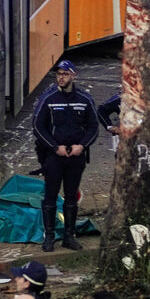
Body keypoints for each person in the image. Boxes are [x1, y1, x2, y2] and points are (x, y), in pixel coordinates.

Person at [31, 60, 99, 252]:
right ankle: (49, 236)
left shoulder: (84, 99)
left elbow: (93, 127)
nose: (61, 77)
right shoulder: (49, 98)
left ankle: (69, 236)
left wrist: (82, 146)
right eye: (58, 74)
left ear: (73, 75)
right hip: (53, 156)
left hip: (76, 156)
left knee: (71, 196)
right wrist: (54, 147)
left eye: (65, 74)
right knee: (50, 196)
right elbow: (38, 126)